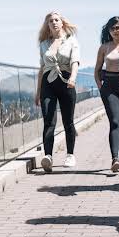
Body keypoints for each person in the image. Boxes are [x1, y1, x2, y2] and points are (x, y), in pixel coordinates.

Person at [35, 11, 80, 173]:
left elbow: (75, 62)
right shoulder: (44, 44)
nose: (53, 23)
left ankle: (70, 154)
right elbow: (42, 68)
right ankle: (48, 156)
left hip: (67, 82)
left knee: (68, 121)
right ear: (47, 25)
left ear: (62, 23)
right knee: (48, 120)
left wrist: (73, 79)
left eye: (56, 20)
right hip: (48, 83)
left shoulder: (71, 40)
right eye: (50, 21)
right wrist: (38, 91)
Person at [94, 16, 119, 172]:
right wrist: (100, 86)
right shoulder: (104, 47)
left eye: (118, 27)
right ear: (108, 31)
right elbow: (97, 70)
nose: (115, 31)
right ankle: (114, 159)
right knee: (115, 121)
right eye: (112, 28)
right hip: (109, 86)